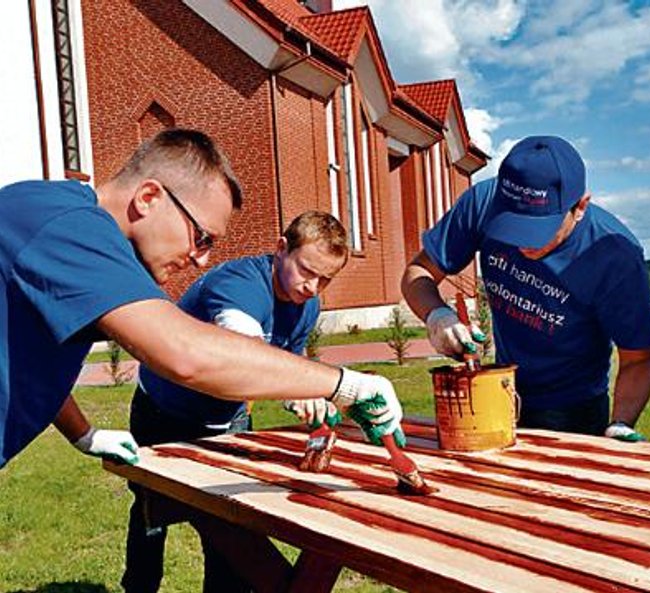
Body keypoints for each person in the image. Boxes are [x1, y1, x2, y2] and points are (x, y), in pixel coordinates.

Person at [0, 127, 402, 490]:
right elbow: (186, 355)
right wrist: (346, 385)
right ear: (149, 198)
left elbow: (36, 364)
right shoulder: (68, 225)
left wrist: (83, 434)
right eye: (201, 237)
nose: (200, 259)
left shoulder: (73, 235)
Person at [121, 210, 349, 593]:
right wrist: (303, 387)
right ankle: (139, 588)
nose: (313, 286)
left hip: (227, 420)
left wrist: (301, 393)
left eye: (326, 278)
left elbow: (285, 367)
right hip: (163, 415)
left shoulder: (307, 305)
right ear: (281, 249)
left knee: (231, 524)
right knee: (153, 513)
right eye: (308, 271)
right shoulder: (238, 284)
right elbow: (242, 356)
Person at [402, 135, 650, 439]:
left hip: (576, 409)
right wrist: (437, 316)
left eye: (539, 230)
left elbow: (638, 359)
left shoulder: (614, 255)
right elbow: (417, 272)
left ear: (580, 207)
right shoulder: (483, 203)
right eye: (512, 226)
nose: (522, 242)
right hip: (501, 394)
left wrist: (621, 424)